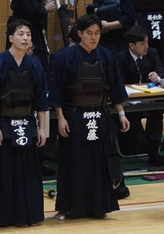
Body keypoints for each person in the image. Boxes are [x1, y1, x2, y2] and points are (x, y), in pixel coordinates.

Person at [48, 14, 129, 219]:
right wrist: (60, 117)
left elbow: (115, 87)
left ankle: (98, 206)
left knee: (98, 163)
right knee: (73, 162)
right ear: (80, 34)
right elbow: (56, 91)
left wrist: (121, 113)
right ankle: (68, 207)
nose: (94, 37)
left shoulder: (106, 56)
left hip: (99, 115)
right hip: (73, 116)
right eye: (89, 33)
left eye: (97, 33)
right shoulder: (63, 57)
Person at [0, 19, 48, 228]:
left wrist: (42, 128)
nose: (25, 38)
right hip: (4, 123)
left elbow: (41, 101)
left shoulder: (35, 65)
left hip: (27, 124)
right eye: (21, 34)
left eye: (28, 34)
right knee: (2, 172)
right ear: (10, 38)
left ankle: (28, 215)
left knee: (27, 172)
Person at [114, 25, 164, 167]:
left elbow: (161, 72)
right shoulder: (120, 57)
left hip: (148, 98)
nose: (146, 46)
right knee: (131, 115)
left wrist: (157, 77)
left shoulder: (152, 53)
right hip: (128, 100)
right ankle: (142, 144)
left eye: (147, 42)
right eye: (142, 43)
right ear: (131, 45)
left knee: (157, 112)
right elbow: (119, 82)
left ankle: (153, 150)